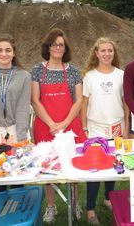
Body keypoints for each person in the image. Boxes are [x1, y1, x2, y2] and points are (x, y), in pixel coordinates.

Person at [31, 28, 86, 223]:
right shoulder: (37, 70)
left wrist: (63, 123)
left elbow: (78, 101)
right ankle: (51, 206)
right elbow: (35, 101)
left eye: (61, 45)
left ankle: (76, 203)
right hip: (45, 126)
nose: (57, 47)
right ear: (48, 47)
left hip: (70, 126)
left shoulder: (73, 71)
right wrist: (51, 124)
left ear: (65, 49)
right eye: (54, 44)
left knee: (74, 165)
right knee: (48, 168)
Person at [81, 37, 127, 225]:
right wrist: (84, 127)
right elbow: (84, 104)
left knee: (113, 164)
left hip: (117, 127)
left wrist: (128, 127)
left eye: (110, 50)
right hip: (95, 127)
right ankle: (90, 209)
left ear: (114, 53)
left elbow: (125, 103)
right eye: (103, 50)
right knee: (95, 168)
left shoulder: (121, 75)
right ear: (96, 53)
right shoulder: (89, 76)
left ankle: (109, 198)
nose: (107, 54)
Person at [0, 34, 31, 192]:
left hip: (16, 130)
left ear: (14, 53)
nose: (3, 54)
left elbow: (23, 107)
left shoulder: (24, 76)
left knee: (16, 176)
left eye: (8, 50)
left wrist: (21, 138)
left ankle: (17, 211)